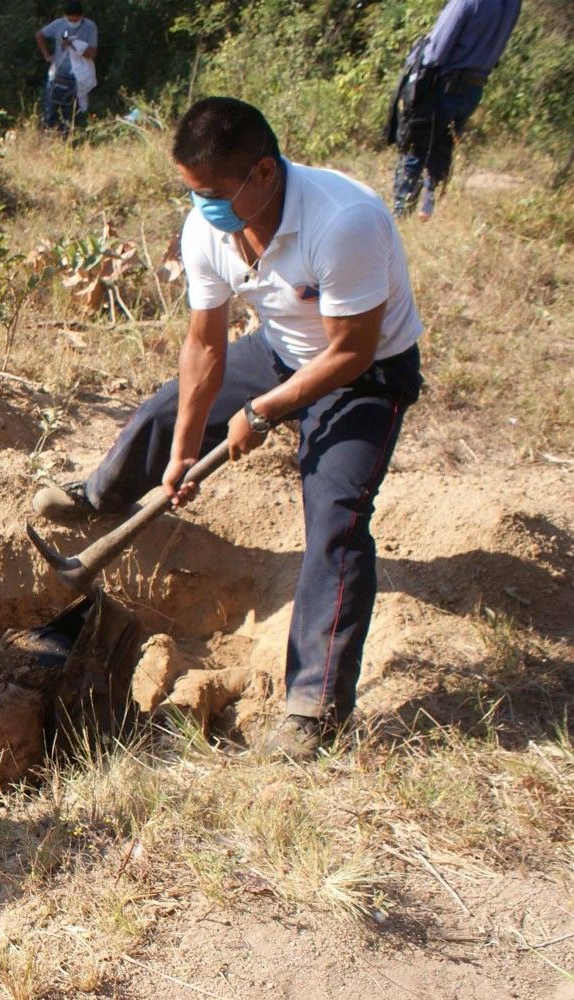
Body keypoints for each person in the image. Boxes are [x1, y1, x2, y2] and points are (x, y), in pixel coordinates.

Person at [33, 98, 424, 758]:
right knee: (164, 411)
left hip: (367, 373)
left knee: (336, 515)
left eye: (211, 192)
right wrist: (186, 450)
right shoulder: (207, 229)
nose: (200, 206)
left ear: (264, 174)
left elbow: (352, 350)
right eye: (191, 191)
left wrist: (263, 412)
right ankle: (103, 494)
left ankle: (315, 707)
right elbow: (205, 347)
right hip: (282, 350)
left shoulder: (345, 222)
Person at [390, 0, 521, 220]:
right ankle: (428, 204)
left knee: (416, 144)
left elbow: (435, 53)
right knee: (443, 144)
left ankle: (401, 213)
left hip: (443, 85)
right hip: (474, 88)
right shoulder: (513, 4)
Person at [35, 2, 99, 133]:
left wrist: (75, 45)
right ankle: (50, 135)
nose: (73, 23)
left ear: (81, 17)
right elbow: (39, 35)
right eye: (71, 20)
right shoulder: (59, 24)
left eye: (76, 20)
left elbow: (92, 53)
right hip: (58, 74)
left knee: (70, 111)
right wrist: (47, 56)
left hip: (77, 75)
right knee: (50, 107)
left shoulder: (90, 27)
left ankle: (70, 136)